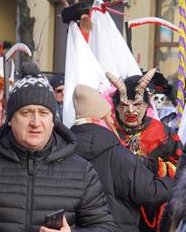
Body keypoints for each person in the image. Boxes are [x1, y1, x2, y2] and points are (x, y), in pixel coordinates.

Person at [0, 62, 116, 232]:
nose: (36, 122)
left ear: (53, 120)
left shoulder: (81, 172)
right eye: (26, 113)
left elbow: (105, 227)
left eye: (44, 113)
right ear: (10, 119)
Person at [70, 84, 174, 232]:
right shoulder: (118, 154)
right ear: (103, 118)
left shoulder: (62, 149)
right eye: (109, 116)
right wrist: (173, 182)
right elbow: (149, 192)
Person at [106, 70, 182, 232]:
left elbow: (181, 170)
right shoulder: (107, 133)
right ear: (116, 107)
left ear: (147, 105)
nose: (131, 111)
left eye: (137, 104)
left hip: (156, 216)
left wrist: (154, 166)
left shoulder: (162, 134)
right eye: (124, 105)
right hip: (116, 216)